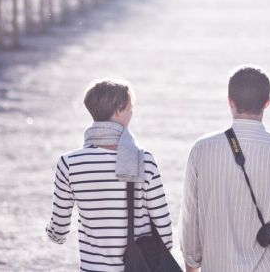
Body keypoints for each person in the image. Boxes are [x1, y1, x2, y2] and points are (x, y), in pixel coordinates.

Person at [180, 66, 270, 272]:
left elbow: (191, 224)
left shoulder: (202, 150)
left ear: (230, 102)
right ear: (267, 103)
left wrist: (192, 267)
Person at [46, 79, 174, 271]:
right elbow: (163, 225)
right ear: (118, 111)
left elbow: (60, 227)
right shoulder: (144, 159)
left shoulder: (69, 163)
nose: (132, 113)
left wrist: (53, 234)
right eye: (131, 108)